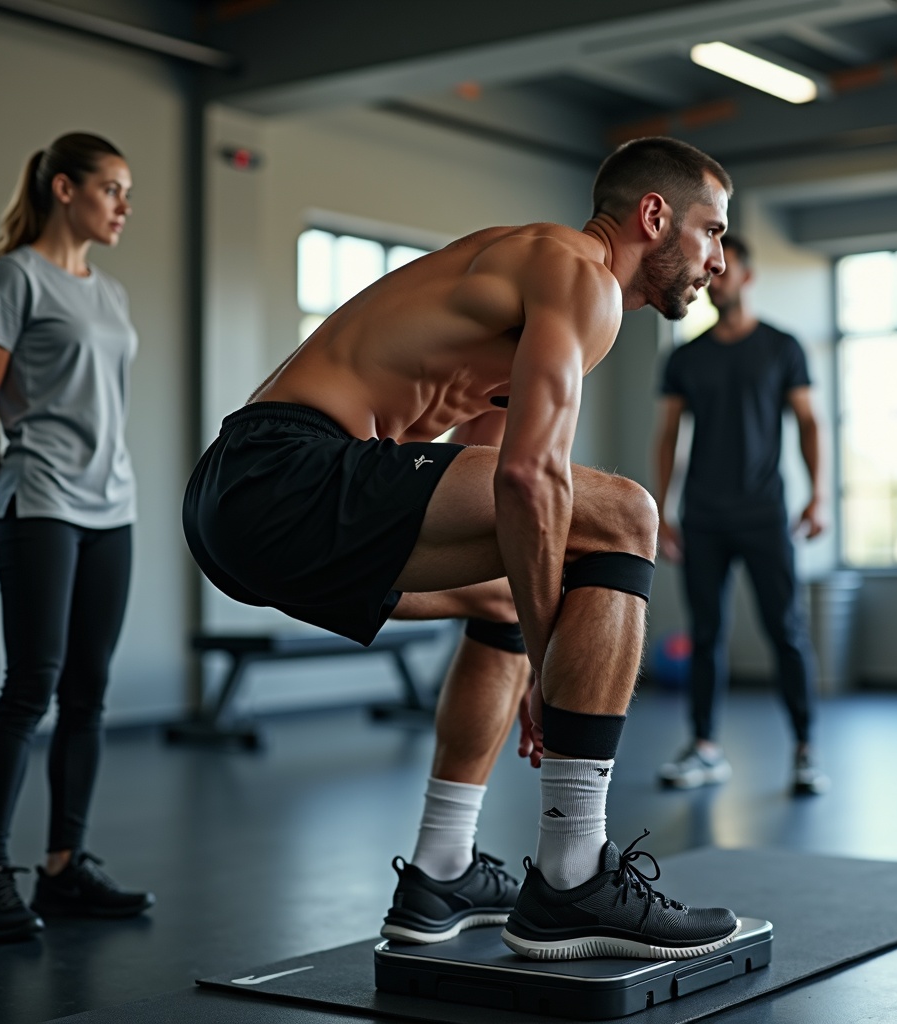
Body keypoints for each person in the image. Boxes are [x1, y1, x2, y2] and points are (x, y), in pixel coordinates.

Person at [184, 137, 742, 960]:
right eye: (712, 231)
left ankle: (441, 869)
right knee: (627, 514)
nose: (718, 262)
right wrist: (556, 665)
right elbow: (528, 478)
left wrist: (531, 630)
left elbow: (491, 484)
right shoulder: (578, 273)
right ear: (654, 216)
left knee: (519, 582)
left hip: (239, 503)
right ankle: (574, 875)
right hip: (289, 474)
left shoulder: (536, 286)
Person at [0, 132, 154, 942]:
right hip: (41, 499)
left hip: (114, 507)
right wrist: (2, 496)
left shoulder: (109, 293)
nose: (124, 207)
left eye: (128, 192)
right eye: (112, 189)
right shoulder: (12, 277)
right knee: (30, 687)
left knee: (87, 693)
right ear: (65, 189)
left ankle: (65, 866)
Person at [653, 234, 830, 796]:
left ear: (747, 278)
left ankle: (804, 751)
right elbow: (668, 436)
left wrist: (818, 495)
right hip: (703, 516)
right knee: (705, 636)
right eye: (709, 270)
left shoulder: (782, 347)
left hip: (764, 514)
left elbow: (808, 423)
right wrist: (661, 510)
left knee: (786, 632)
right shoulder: (685, 357)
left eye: (725, 270)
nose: (715, 278)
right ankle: (704, 748)